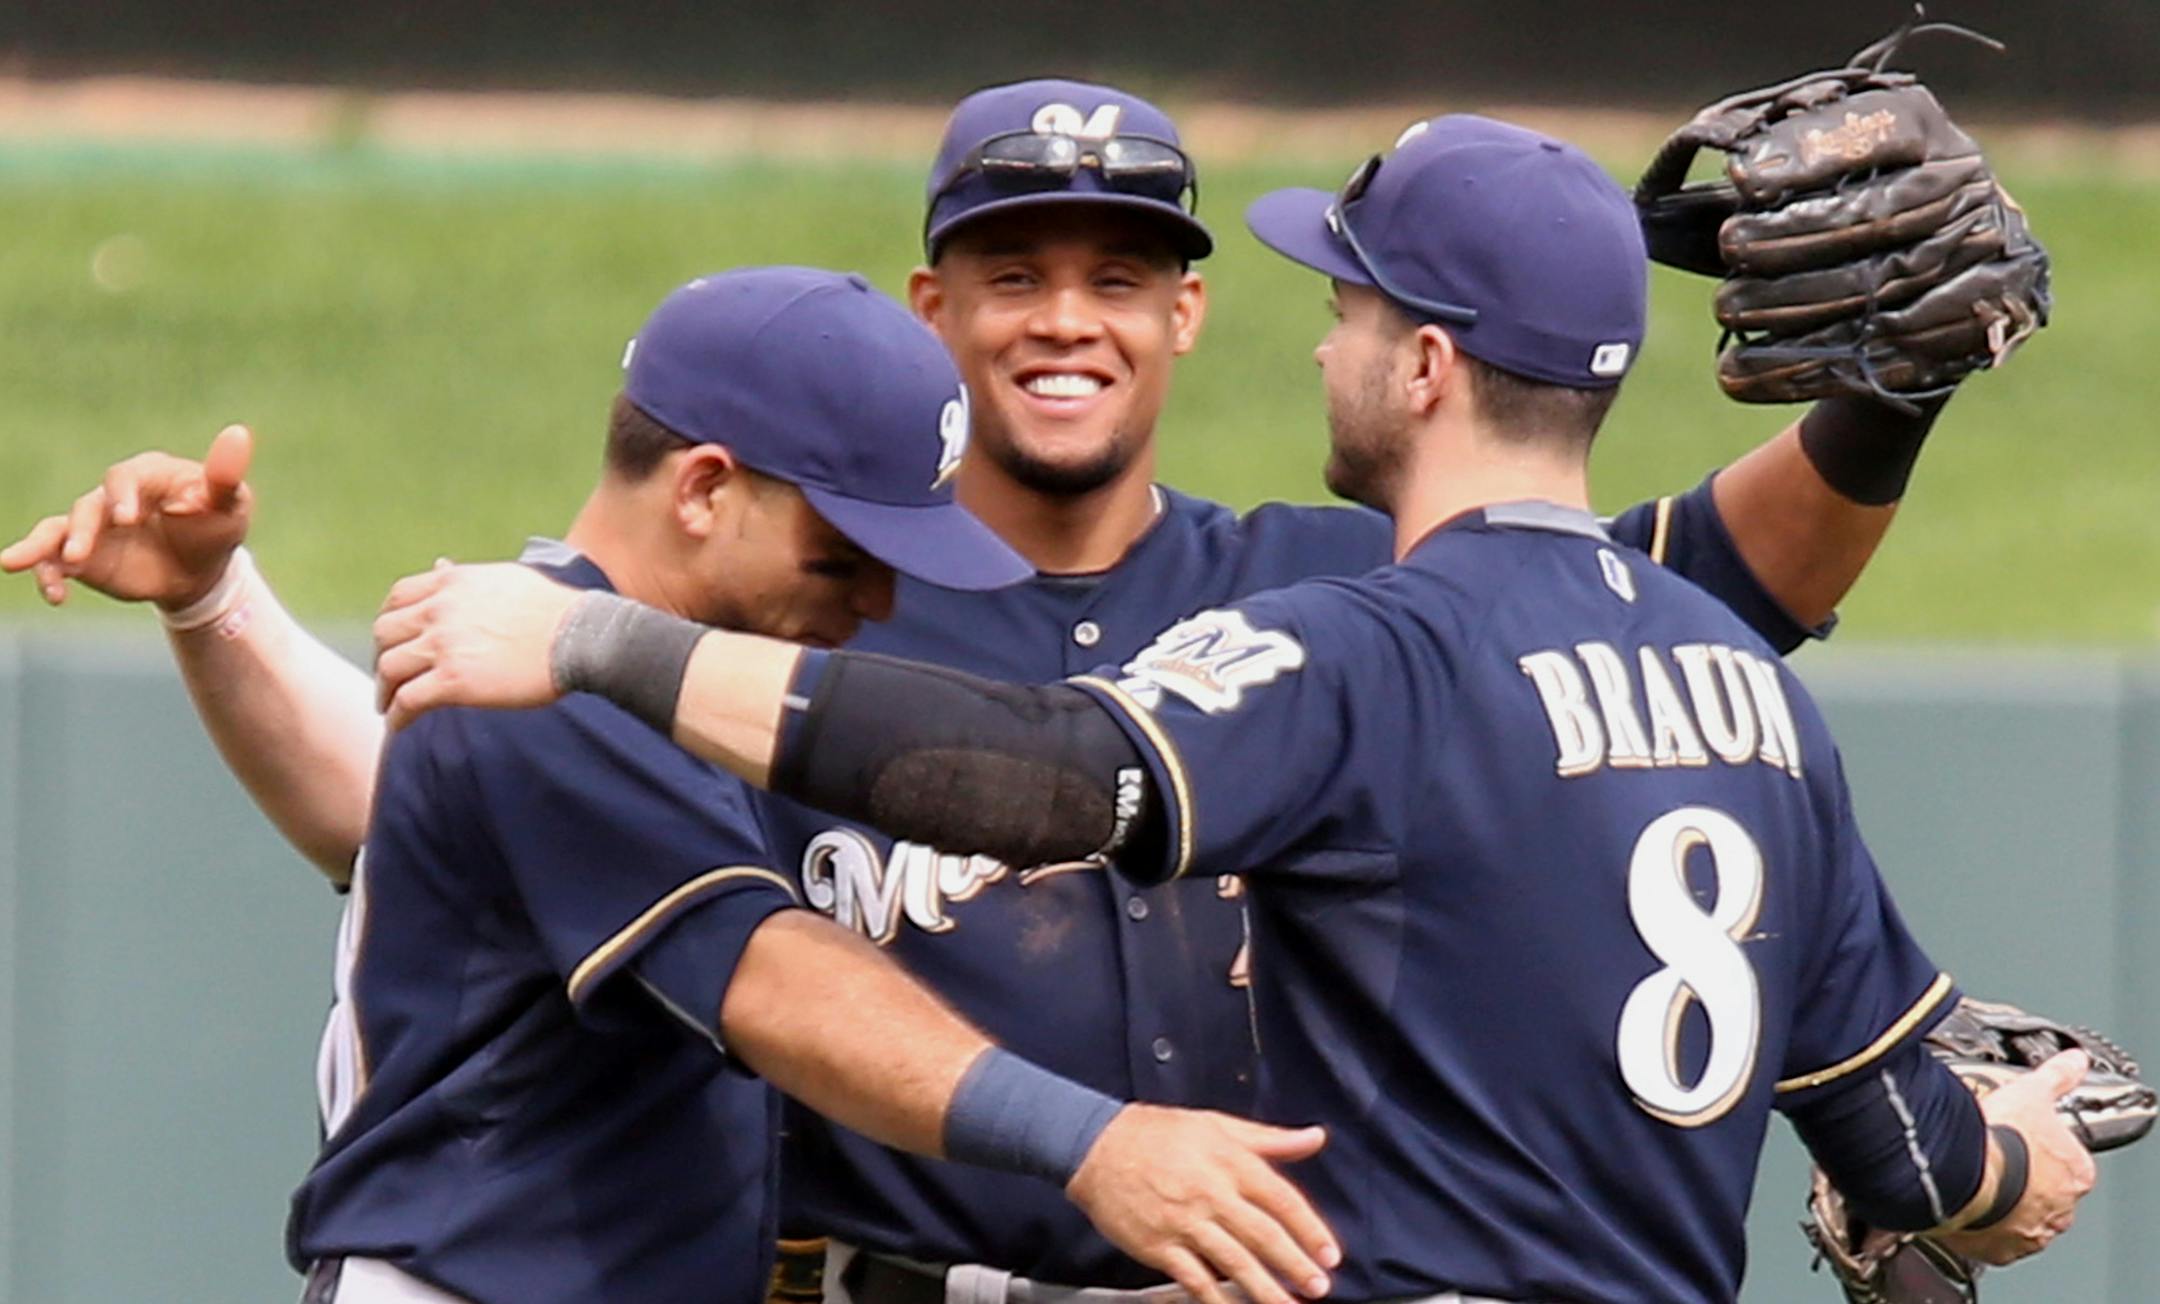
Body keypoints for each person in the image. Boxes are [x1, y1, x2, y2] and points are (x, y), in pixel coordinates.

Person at [6, 79, 1972, 1299]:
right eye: (1011, 264)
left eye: (1123, 271)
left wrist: (1899, 391)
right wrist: (225, 617)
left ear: (1194, 313)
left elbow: (1689, 600)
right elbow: (421, 810)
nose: (1066, 312)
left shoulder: (1333, 595)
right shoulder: (785, 622)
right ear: (929, 306)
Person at [257, 266, 1342, 1304]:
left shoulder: (614, 672)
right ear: (705, 489)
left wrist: (214, 604)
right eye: (839, 554)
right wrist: (1091, 1140)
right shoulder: (540, 683)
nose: (876, 600)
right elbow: (772, 982)